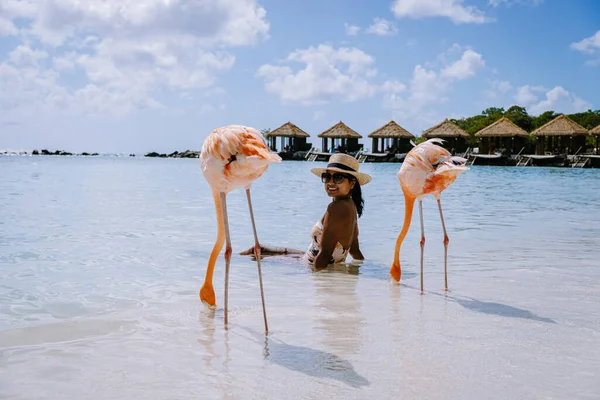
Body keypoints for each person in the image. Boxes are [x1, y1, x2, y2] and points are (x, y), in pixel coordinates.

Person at [240, 153, 371, 270]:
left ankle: (228, 262)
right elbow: (354, 250)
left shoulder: (336, 208)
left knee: (253, 256)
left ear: (352, 183)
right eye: (327, 177)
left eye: (338, 178)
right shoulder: (351, 206)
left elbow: (324, 256)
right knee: (261, 250)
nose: (331, 182)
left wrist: (310, 284)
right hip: (306, 256)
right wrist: (360, 270)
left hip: (307, 264)